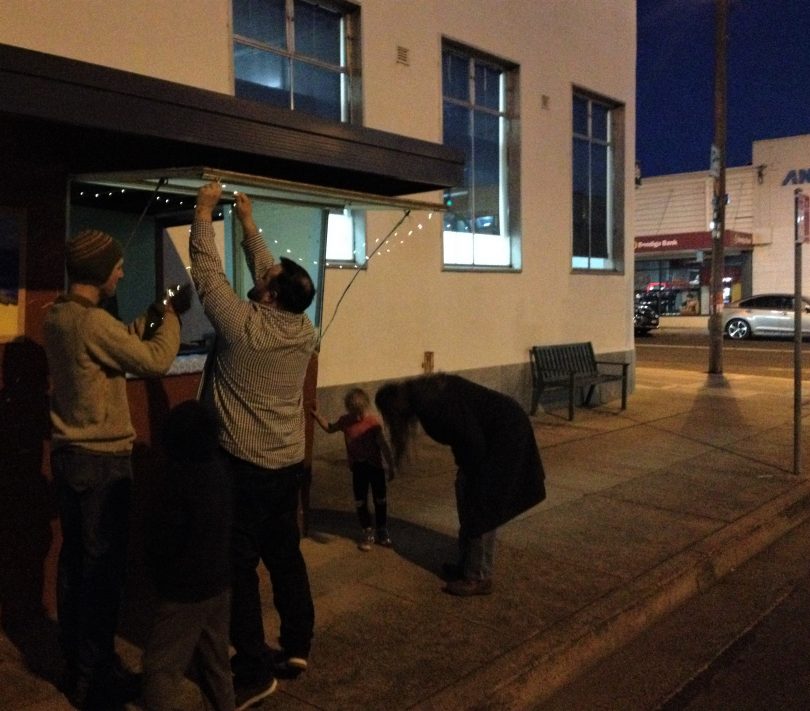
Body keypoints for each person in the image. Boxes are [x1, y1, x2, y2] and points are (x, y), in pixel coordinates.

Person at [190, 182, 319, 709]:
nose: (262, 275)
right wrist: (247, 222)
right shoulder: (304, 329)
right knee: (284, 554)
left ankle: (252, 667)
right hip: (286, 462)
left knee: (237, 565)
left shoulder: (243, 328)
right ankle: (296, 647)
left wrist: (202, 212)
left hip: (242, 467)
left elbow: (208, 275)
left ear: (268, 297)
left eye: (266, 279)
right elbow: (272, 275)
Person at [43, 229, 182, 709]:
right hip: (102, 461)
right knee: (102, 574)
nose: (122, 272)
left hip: (70, 456)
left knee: (76, 565)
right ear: (100, 271)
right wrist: (170, 321)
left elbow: (109, 347)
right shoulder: (92, 321)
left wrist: (146, 317)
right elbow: (155, 361)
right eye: (117, 265)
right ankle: (95, 677)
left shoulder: (59, 315)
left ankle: (75, 664)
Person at [374, 373, 546, 597]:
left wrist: (472, 474)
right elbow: (464, 436)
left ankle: (478, 576)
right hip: (495, 435)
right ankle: (468, 565)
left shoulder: (432, 407)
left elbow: (472, 441)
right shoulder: (427, 394)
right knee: (467, 494)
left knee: (482, 506)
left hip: (506, 437)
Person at [141, 400, 235, 711]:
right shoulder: (218, 471)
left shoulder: (176, 481)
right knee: (216, 662)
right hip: (218, 584)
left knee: (160, 667)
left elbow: (165, 537)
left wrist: (157, 569)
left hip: (184, 591)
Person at [311, 388, 396, 551]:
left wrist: (391, 466)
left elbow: (384, 445)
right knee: (360, 501)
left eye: (361, 413)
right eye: (354, 413)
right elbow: (329, 428)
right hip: (358, 468)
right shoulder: (345, 421)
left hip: (375, 467)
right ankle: (367, 532)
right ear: (349, 410)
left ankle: (382, 530)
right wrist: (317, 416)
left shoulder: (373, 423)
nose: (358, 417)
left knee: (380, 499)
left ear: (366, 407)